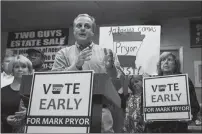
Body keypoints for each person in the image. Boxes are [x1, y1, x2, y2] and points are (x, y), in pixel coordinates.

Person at [52, 13, 123, 133]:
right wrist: (76, 66)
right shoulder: (62, 53)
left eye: (87, 26)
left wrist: (111, 68)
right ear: (74, 31)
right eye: (79, 25)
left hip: (100, 109)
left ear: (93, 32)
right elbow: (53, 81)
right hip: (69, 108)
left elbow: (119, 83)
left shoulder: (106, 52)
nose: (83, 28)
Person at [144, 52, 200, 133]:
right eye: (163, 60)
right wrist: (146, 116)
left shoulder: (184, 81)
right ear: (159, 64)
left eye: (169, 60)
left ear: (175, 64)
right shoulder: (151, 82)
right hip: (155, 129)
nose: (166, 62)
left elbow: (195, 106)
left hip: (177, 128)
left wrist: (189, 115)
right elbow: (144, 104)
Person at [1, 55, 33, 133]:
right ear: (12, 70)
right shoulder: (3, 91)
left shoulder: (35, 88)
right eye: (16, 67)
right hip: (7, 130)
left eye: (24, 66)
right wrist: (6, 119)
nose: (20, 69)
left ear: (29, 69)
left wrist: (29, 112)